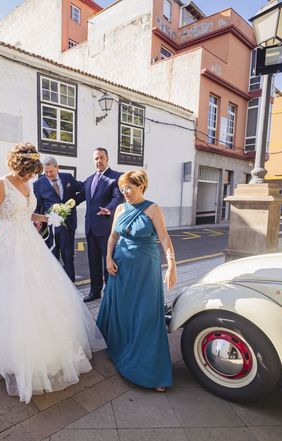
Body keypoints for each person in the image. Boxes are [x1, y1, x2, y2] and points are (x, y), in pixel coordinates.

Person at [0, 142, 105, 404]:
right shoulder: (0, 184)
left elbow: (27, 214)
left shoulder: (27, 184)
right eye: (30, 172)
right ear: (19, 166)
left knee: (39, 290)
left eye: (34, 173)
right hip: (5, 244)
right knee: (7, 291)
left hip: (29, 242)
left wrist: (48, 217)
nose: (33, 177)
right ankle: (1, 344)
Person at [96, 169, 176, 392]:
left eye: (129, 187)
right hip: (120, 267)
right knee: (122, 311)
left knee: (146, 314)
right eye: (122, 188)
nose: (125, 192)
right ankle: (119, 348)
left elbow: (164, 238)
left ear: (142, 187)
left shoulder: (153, 208)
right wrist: (108, 258)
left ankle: (150, 370)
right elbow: (113, 236)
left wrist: (172, 265)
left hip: (145, 269)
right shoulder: (120, 208)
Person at [78, 147, 123, 302]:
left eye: (101, 158)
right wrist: (62, 205)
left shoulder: (116, 177)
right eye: (96, 158)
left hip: (106, 228)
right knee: (93, 262)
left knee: (108, 261)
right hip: (90, 227)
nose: (98, 161)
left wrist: (109, 209)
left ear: (107, 158)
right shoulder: (89, 179)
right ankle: (94, 291)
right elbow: (79, 197)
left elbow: (117, 198)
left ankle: (110, 292)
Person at [33, 156, 84, 282]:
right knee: (52, 257)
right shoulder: (38, 184)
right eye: (46, 172)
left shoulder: (68, 178)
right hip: (50, 229)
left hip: (68, 226)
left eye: (51, 171)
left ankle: (71, 287)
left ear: (57, 167)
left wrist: (73, 202)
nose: (48, 174)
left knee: (68, 257)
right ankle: (54, 285)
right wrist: (37, 221)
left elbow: (83, 189)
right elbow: (38, 206)